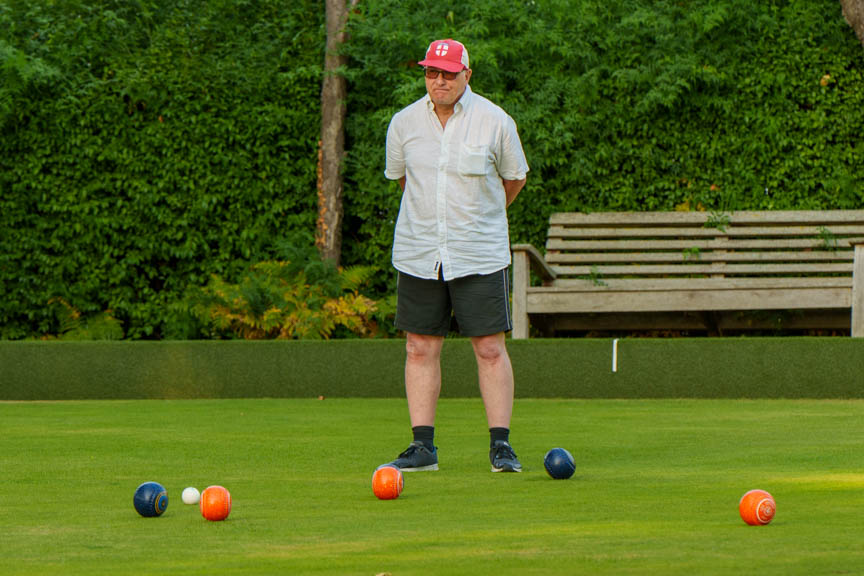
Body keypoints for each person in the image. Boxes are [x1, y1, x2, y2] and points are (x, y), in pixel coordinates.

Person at [383, 39, 529, 473]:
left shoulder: (495, 121)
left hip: (479, 254)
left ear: (467, 74)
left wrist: (478, 220)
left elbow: (514, 179)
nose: (439, 81)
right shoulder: (403, 123)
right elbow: (404, 182)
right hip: (420, 252)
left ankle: (501, 446)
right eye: (432, 72)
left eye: (447, 73)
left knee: (488, 348)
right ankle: (422, 447)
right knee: (418, 347)